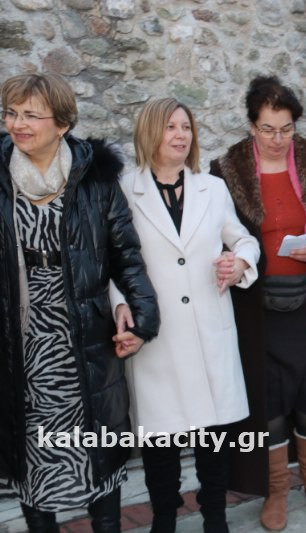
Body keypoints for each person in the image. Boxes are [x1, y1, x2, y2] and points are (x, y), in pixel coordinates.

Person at [0, 73, 159, 532]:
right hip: (21, 343)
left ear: (63, 124)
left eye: (31, 115)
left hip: (85, 339)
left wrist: (142, 318)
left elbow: (125, 254)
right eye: (11, 113)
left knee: (97, 452)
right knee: (32, 453)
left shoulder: (96, 179)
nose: (17, 124)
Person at [209, 75, 306, 531]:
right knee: (270, 406)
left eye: (286, 129)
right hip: (256, 314)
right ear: (251, 126)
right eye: (267, 129)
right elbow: (212, 235)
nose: (278, 139)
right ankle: (276, 489)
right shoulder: (226, 172)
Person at [110, 98, 260, 533]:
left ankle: (215, 517)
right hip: (157, 338)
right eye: (170, 127)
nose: (181, 135)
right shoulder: (125, 189)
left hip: (209, 331)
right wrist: (120, 303)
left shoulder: (212, 188)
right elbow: (111, 259)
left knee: (214, 438)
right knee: (161, 444)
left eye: (186, 127)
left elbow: (244, 240)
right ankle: (164, 520)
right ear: (150, 133)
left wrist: (239, 263)